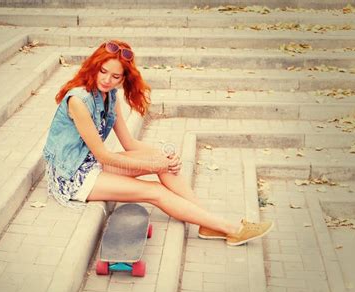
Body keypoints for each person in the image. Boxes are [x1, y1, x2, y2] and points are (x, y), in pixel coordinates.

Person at [43, 40, 273, 246]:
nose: (107, 80)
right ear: (95, 67)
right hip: (73, 175)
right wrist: (154, 166)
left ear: (124, 78)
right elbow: (103, 155)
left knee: (161, 163)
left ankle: (208, 222)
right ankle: (232, 229)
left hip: (92, 162)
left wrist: (163, 157)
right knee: (154, 190)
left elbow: (129, 143)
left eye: (116, 77)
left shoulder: (110, 96)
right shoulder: (78, 100)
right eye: (103, 71)